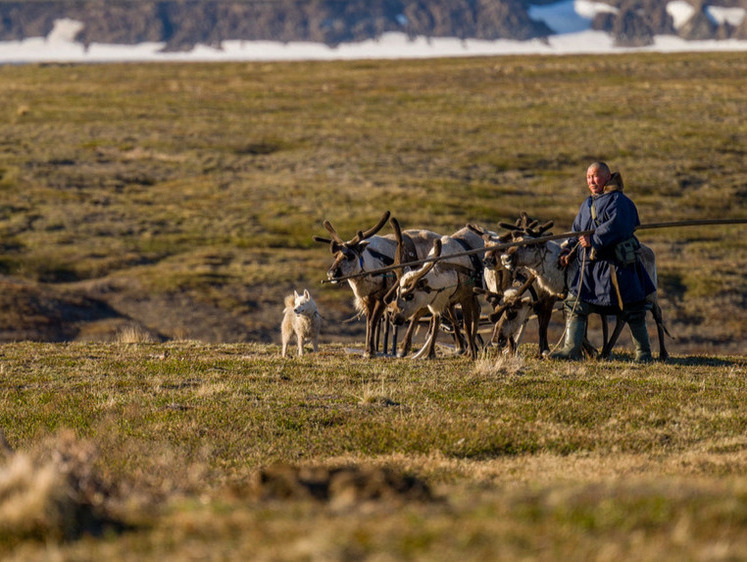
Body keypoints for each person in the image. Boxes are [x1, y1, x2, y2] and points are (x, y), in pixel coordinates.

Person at [551, 161, 656, 362]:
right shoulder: (587, 204)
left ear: (608, 177)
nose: (592, 180)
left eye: (596, 176)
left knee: (633, 309)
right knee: (575, 304)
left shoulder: (619, 201)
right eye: (589, 177)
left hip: (617, 269)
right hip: (589, 270)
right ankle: (571, 350)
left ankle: (643, 353)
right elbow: (577, 231)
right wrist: (568, 249)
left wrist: (594, 239)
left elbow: (620, 227)